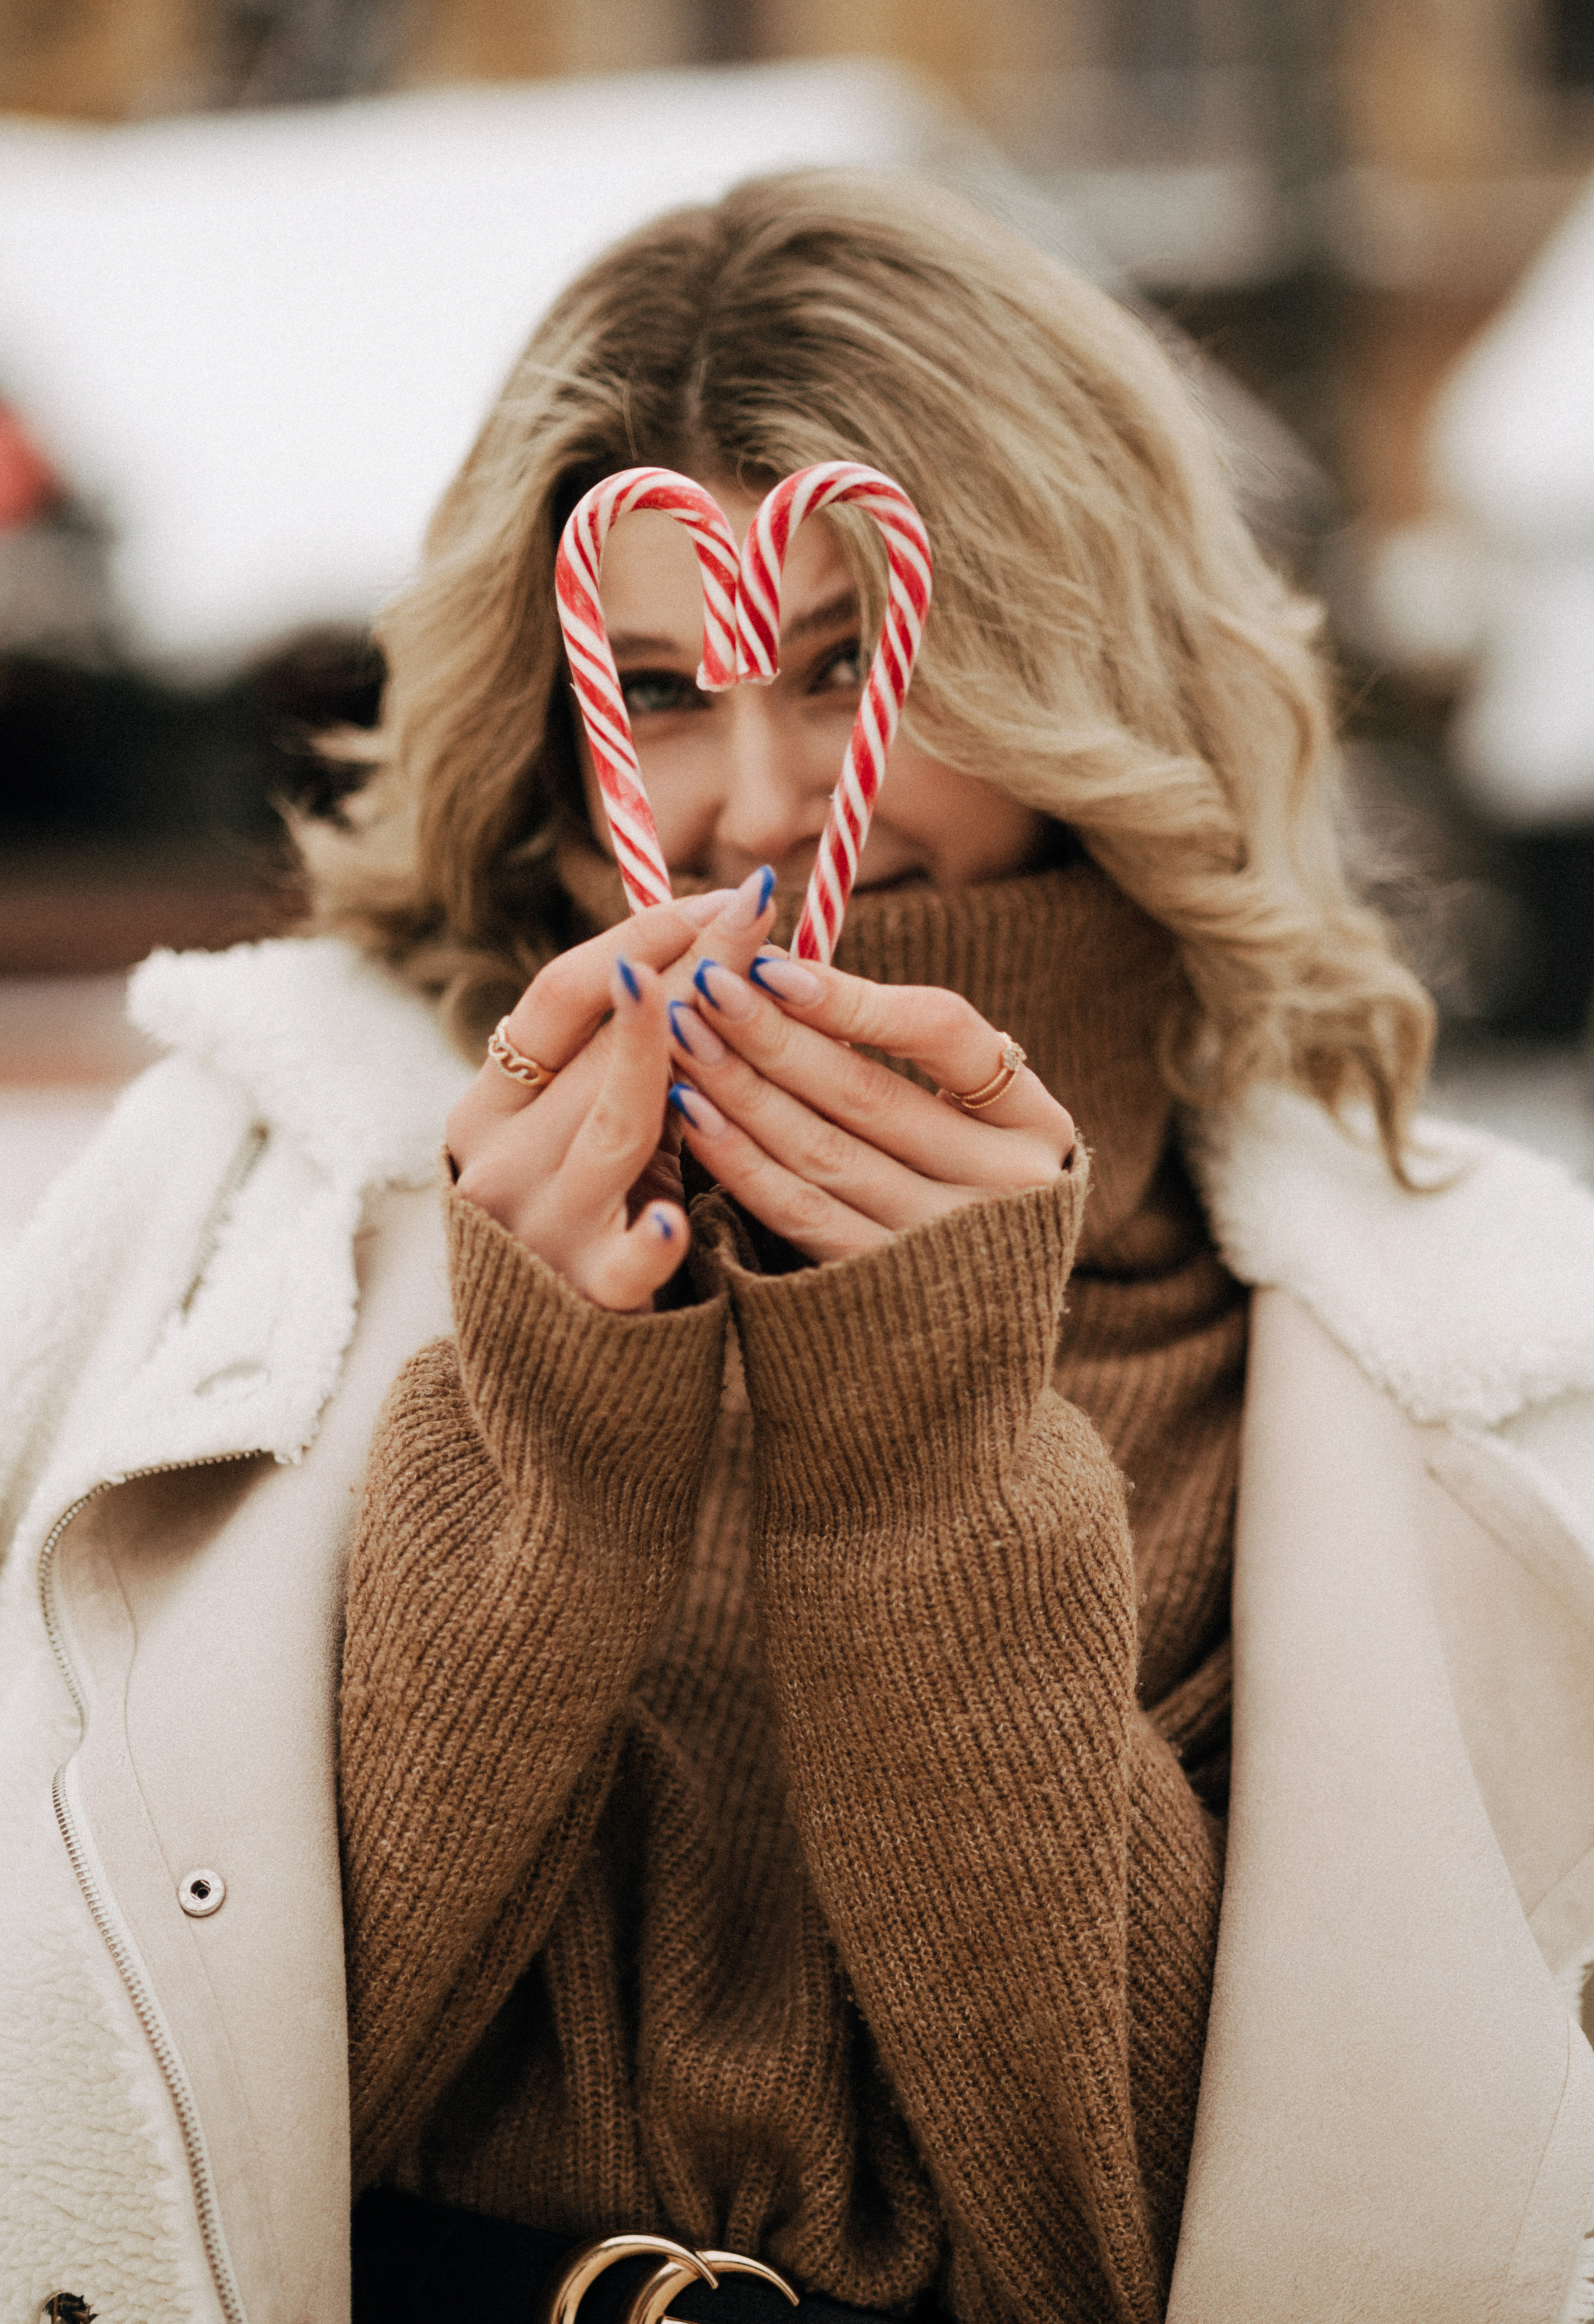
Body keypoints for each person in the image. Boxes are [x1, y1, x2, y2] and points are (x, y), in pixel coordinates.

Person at [3, 171, 1594, 2324]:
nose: (757, 808)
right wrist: (546, 1445)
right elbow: (167, 2129)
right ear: (547, 736)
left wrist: (931, 1456)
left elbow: (1220, 2237)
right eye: (655, 692)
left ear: (1078, 670)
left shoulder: (1467, 1355)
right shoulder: (236, 1206)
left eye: (851, 668)